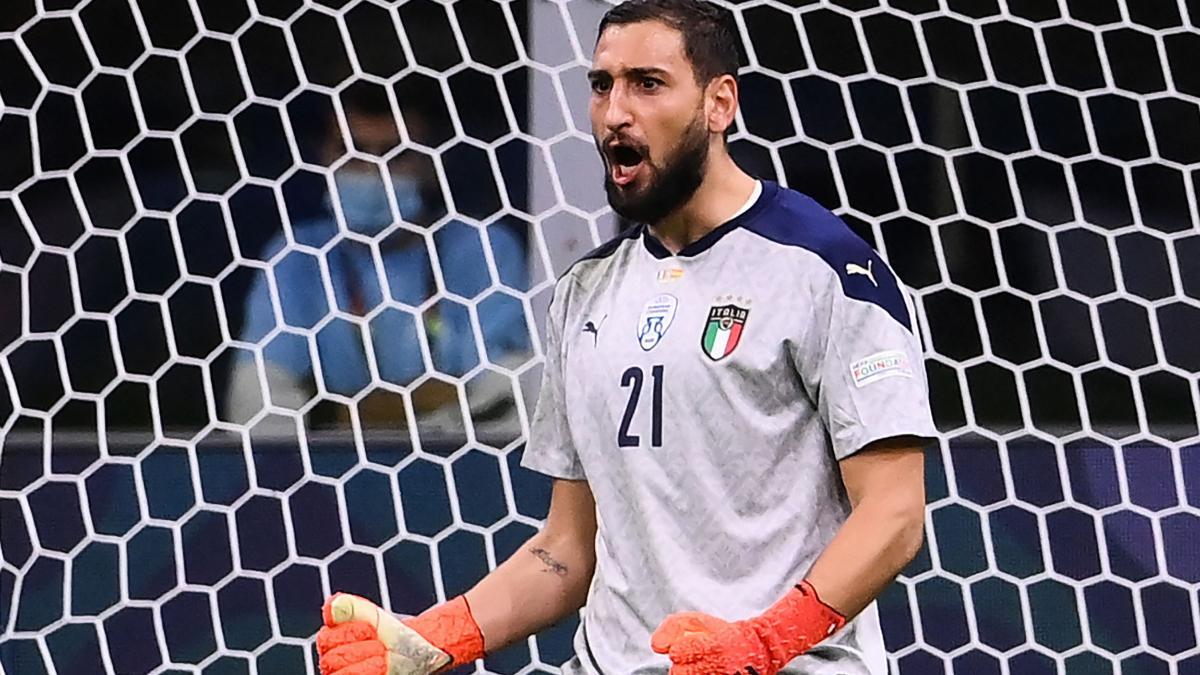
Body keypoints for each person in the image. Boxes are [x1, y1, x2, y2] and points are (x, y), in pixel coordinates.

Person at [315, 1, 937, 673]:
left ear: (719, 103)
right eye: (602, 84)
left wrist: (763, 643)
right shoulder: (588, 292)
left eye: (647, 82)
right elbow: (566, 549)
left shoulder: (826, 270)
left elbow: (895, 513)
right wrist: (438, 635)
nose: (615, 111)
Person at [224, 84, 529, 435]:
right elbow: (258, 402)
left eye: (394, 154)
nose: (372, 169)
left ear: (431, 162)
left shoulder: (484, 248)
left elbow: (507, 398)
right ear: (325, 156)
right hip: (330, 477)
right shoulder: (297, 255)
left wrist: (339, 414)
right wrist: (426, 403)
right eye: (353, 151)